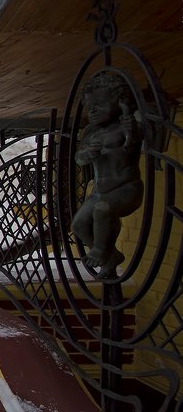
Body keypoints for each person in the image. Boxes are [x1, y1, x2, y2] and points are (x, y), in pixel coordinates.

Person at [72, 72, 144, 278]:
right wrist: (88, 153)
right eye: (89, 106)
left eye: (100, 104)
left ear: (120, 102)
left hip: (126, 188)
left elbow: (132, 150)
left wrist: (132, 133)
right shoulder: (91, 132)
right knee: (79, 224)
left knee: (104, 210)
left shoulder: (126, 127)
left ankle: (100, 251)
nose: (93, 110)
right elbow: (79, 158)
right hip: (99, 190)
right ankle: (111, 256)